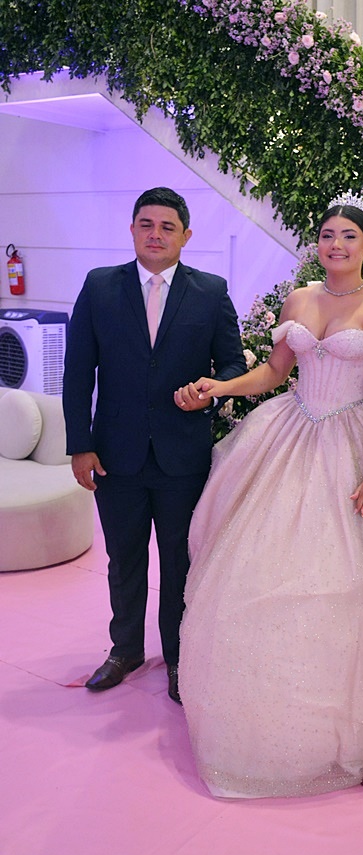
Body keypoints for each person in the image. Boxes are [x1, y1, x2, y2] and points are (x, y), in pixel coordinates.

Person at [175, 193, 363, 797]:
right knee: (254, 564)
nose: (337, 244)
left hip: (350, 441)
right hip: (291, 427)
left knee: (340, 577)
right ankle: (248, 713)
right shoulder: (300, 298)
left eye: (349, 236)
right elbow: (275, 373)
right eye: (328, 234)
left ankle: (333, 729)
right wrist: (221, 386)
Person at [62, 186, 246, 703]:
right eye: (146, 224)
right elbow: (77, 372)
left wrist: (210, 390)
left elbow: (232, 363)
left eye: (167, 227)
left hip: (182, 455)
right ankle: (124, 650)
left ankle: (179, 659)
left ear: (186, 236)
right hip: (113, 454)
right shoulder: (100, 286)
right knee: (123, 559)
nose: (156, 234)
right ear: (132, 229)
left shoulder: (210, 291)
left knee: (180, 563)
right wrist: (79, 444)